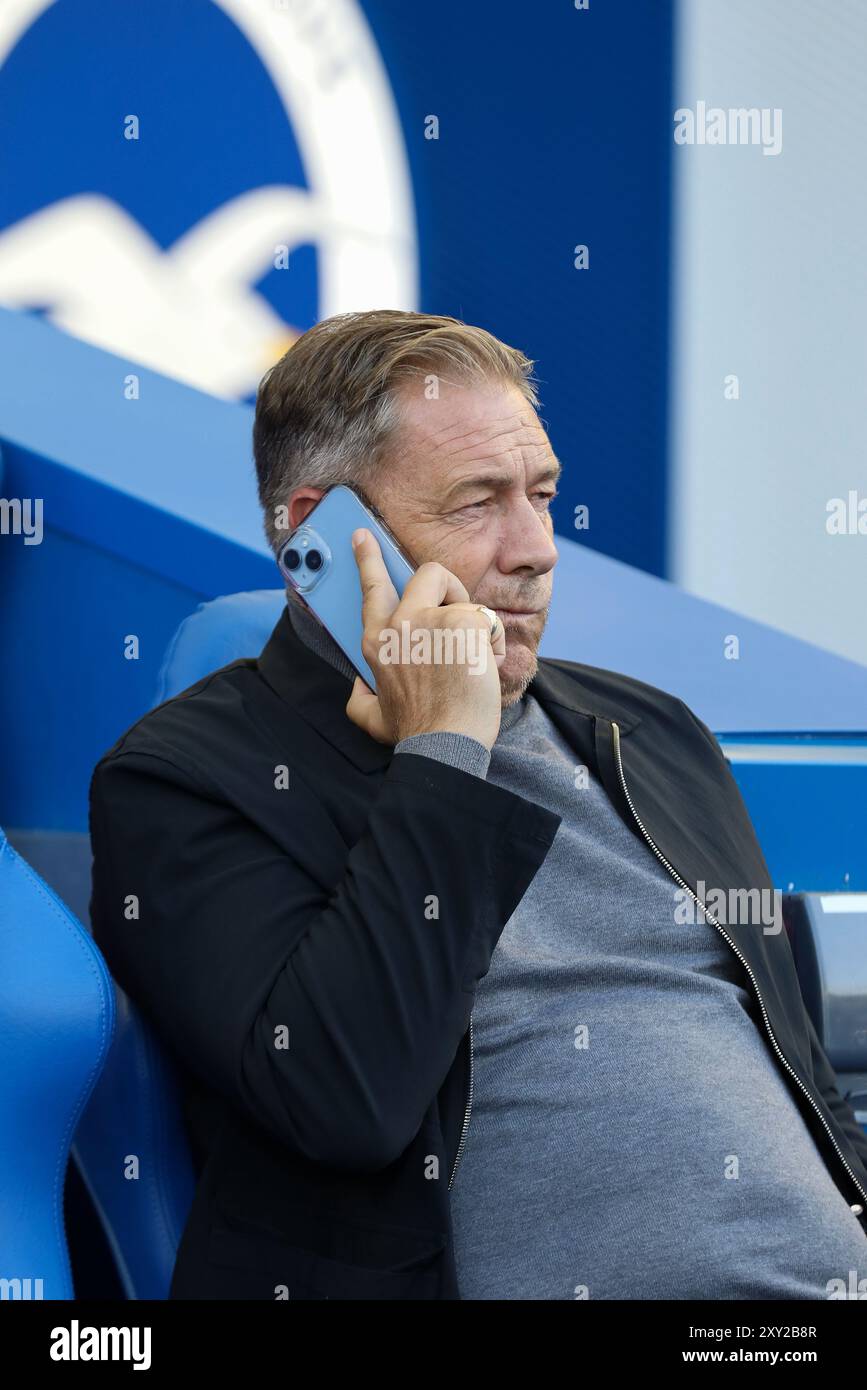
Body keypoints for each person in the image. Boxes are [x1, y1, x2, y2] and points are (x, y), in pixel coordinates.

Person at [89, 310, 867, 1300]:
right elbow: (343, 1098)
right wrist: (444, 749)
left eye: (541, 495)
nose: (537, 548)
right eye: (477, 503)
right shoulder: (182, 777)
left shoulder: (655, 732)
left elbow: (800, 1076)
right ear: (316, 537)